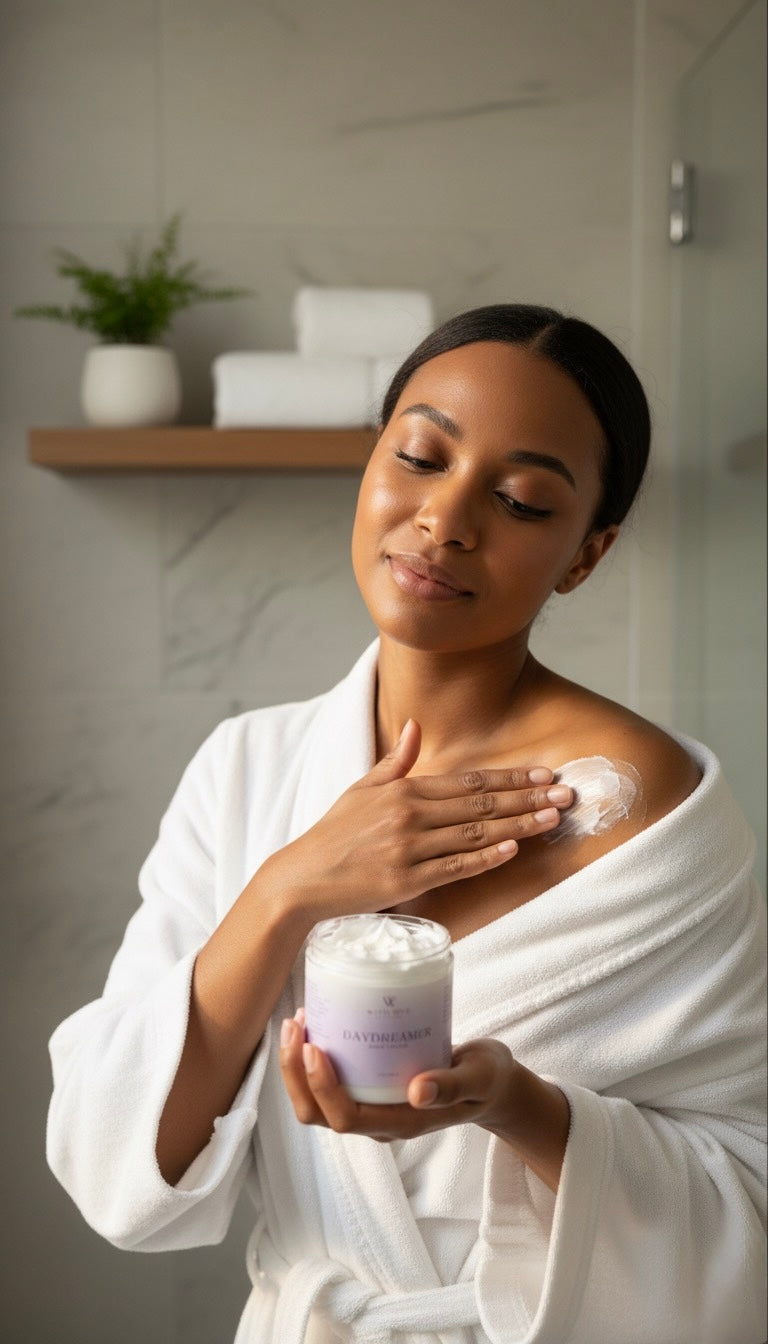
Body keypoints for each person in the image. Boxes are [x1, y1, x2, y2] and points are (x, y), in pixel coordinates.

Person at [47, 305, 766, 1344]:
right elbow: (112, 1152)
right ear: (371, 464)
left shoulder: (647, 809)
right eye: (421, 455)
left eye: (520, 500)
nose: (446, 518)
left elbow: (745, 1186)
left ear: (585, 555)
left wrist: (516, 1106)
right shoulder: (250, 770)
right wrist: (290, 886)